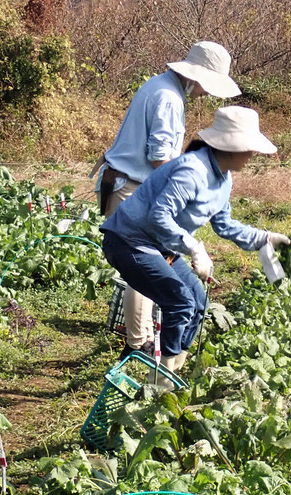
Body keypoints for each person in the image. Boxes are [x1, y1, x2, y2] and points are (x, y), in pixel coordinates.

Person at [100, 106, 290, 386]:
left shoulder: (223, 177)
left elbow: (224, 225)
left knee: (198, 304)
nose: (251, 156)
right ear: (231, 146)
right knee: (179, 303)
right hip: (129, 241)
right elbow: (159, 216)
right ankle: (159, 384)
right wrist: (194, 247)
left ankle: (172, 371)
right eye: (248, 149)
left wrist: (263, 238)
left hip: (160, 246)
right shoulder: (193, 170)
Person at [91, 41, 241, 359]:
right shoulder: (169, 98)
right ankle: (138, 343)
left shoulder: (161, 85)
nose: (207, 94)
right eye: (209, 86)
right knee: (143, 267)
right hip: (130, 186)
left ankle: (141, 337)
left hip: (127, 181)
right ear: (198, 77)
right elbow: (159, 156)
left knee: (149, 265)